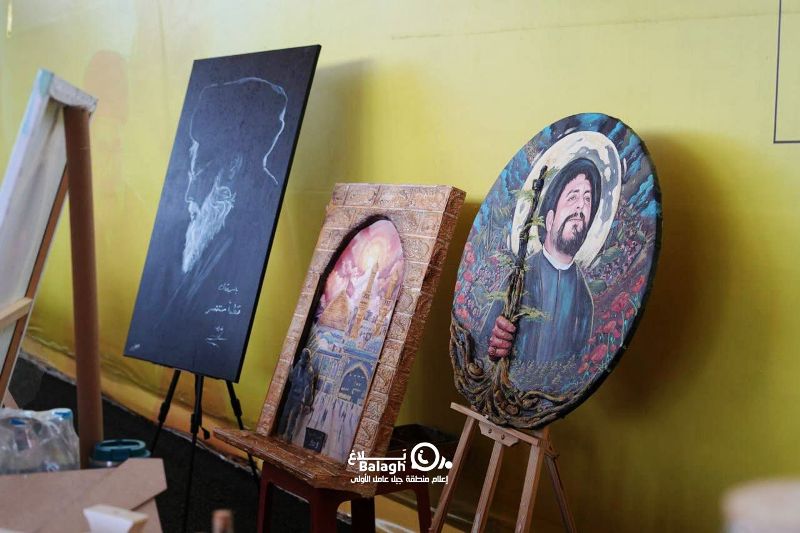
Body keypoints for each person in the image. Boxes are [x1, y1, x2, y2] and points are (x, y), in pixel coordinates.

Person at [484, 157, 600, 365]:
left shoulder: (584, 300)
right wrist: (494, 346)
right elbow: (484, 348)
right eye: (573, 197)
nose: (581, 206)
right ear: (550, 219)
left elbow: (577, 369)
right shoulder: (520, 278)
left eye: (587, 199)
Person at [279, 349, 316, 440]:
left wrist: (308, 403)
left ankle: (288, 436)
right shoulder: (299, 364)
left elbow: (309, 388)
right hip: (292, 394)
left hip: (300, 397)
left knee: (293, 418)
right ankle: (280, 433)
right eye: (302, 357)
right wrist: (290, 368)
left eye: (305, 358)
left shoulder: (310, 371)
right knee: (285, 414)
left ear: (308, 359)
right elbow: (292, 378)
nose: (302, 359)